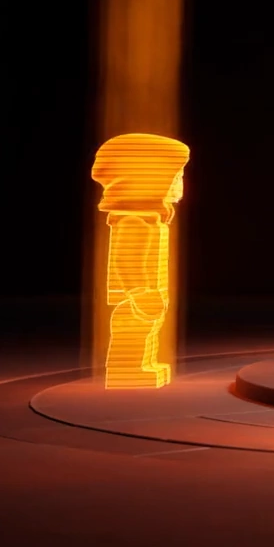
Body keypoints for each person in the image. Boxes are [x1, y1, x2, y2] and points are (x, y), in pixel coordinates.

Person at [92, 134, 190, 389]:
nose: (180, 184)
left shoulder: (151, 220)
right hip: (136, 298)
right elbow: (126, 260)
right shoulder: (133, 221)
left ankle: (142, 365)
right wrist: (139, 291)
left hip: (149, 295)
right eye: (177, 177)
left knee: (149, 329)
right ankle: (127, 368)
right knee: (132, 332)